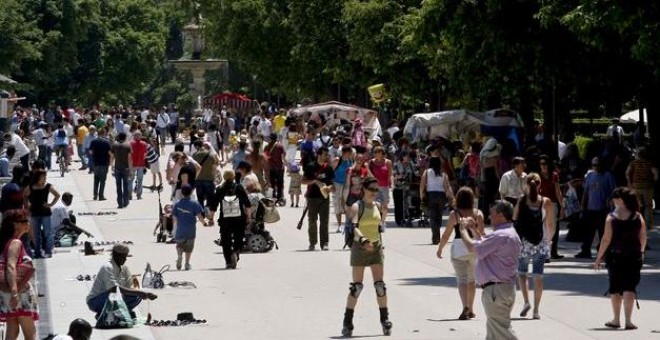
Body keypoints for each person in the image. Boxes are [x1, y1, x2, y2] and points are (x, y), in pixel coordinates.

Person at [457, 200, 521, 340]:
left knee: (501, 330)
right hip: (503, 288)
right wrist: (474, 229)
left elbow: (473, 248)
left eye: (492, 214)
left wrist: (463, 231)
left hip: (496, 291)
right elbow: (485, 245)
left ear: (501, 216)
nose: (489, 217)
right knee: (494, 332)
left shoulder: (501, 235)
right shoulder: (509, 233)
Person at [341, 177, 392, 337]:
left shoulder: (377, 205)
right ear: (364, 189)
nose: (374, 192)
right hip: (360, 248)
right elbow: (354, 226)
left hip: (376, 247)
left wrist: (384, 216)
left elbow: (380, 227)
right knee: (357, 287)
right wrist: (363, 239)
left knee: (380, 286)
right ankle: (347, 321)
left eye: (376, 190)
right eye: (371, 189)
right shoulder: (357, 206)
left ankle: (385, 319)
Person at [594, 187, 647, 330]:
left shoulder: (611, 217)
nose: (613, 201)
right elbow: (643, 237)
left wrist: (599, 258)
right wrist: (641, 252)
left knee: (615, 288)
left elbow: (605, 239)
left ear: (620, 200)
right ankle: (628, 321)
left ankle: (616, 320)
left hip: (615, 256)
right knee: (630, 287)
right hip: (634, 256)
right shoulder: (638, 216)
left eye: (614, 198)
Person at [437, 187, 484, 320]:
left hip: (458, 248)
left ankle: (465, 306)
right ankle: (471, 308)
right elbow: (482, 235)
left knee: (461, 280)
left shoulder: (454, 214)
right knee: (472, 280)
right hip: (474, 247)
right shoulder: (478, 214)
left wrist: (440, 248)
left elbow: (446, 234)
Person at [514, 173, 555, 320]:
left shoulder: (522, 200)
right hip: (540, 242)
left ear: (526, 184)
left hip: (524, 243)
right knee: (538, 277)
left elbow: (514, 218)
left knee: (522, 273)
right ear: (539, 185)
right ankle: (536, 310)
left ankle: (526, 302)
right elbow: (550, 224)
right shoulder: (546, 202)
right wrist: (548, 241)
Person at [0, 209, 39, 340]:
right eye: (24, 221)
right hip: (20, 293)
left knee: (13, 329)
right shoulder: (16, 243)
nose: (28, 223)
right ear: (16, 225)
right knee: (30, 333)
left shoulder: (8, 243)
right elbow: (10, 266)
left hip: (9, 293)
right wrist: (15, 293)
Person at [86, 245, 157, 316]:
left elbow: (129, 288)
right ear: (115, 256)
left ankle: (121, 312)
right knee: (117, 293)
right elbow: (114, 288)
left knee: (137, 296)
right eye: (122, 257)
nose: (125, 259)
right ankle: (106, 313)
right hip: (95, 300)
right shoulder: (107, 267)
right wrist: (140, 292)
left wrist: (144, 293)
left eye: (125, 257)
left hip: (113, 296)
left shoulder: (125, 269)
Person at [207, 170, 252, 269]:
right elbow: (247, 204)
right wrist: (249, 216)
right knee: (238, 237)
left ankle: (228, 261)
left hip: (225, 219)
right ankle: (236, 252)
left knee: (225, 240)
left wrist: (211, 218)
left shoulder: (220, 188)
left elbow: (213, 205)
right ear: (233, 177)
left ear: (224, 177)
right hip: (239, 218)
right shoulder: (239, 187)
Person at [576, 157, 616, 259]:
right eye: (594, 165)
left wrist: (610, 200)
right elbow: (586, 192)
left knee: (603, 231)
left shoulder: (608, 176)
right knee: (588, 231)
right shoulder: (590, 175)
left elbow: (614, 191)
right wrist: (582, 205)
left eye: (598, 165)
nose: (596, 167)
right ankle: (585, 250)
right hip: (590, 208)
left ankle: (604, 251)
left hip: (603, 208)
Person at [303, 147, 335, 251]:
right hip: (312, 198)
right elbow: (303, 181)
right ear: (319, 155)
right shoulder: (310, 166)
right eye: (325, 154)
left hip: (324, 198)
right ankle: (312, 242)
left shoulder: (328, 168)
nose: (327, 156)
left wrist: (329, 188)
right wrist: (314, 181)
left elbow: (332, 185)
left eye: (327, 155)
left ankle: (325, 243)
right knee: (312, 221)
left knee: (324, 221)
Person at [24, 170, 61, 258]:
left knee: (48, 233)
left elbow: (57, 195)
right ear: (38, 177)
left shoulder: (48, 186)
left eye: (45, 177)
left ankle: (48, 251)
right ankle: (37, 252)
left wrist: (50, 204)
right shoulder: (31, 187)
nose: (44, 178)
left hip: (45, 213)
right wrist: (27, 206)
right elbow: (24, 196)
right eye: (43, 177)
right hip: (34, 213)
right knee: (36, 235)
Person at [172, 185, 208, 271]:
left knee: (179, 245)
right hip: (191, 229)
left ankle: (179, 255)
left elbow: (174, 217)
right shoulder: (195, 203)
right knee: (189, 247)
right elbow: (199, 216)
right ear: (191, 192)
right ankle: (187, 263)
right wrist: (204, 223)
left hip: (180, 229)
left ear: (181, 193)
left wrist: (176, 224)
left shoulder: (177, 204)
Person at [420, 156, 454, 245]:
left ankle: (435, 237)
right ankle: (437, 235)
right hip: (441, 196)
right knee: (439, 217)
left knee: (432, 217)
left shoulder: (426, 172)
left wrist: (421, 196)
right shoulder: (443, 173)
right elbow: (447, 187)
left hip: (431, 195)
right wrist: (452, 197)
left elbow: (422, 185)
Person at [626, 146, 658, 229]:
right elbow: (655, 173)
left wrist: (629, 184)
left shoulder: (633, 163)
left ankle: (637, 223)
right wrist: (654, 181)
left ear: (637, 154)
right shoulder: (649, 163)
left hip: (636, 186)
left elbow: (627, 173)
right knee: (648, 206)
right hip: (648, 186)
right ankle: (648, 224)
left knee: (637, 205)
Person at [538, 156, 564, 259]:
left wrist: (562, 206)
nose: (543, 166)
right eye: (541, 164)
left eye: (545, 164)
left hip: (552, 204)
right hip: (541, 204)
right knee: (542, 228)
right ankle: (544, 252)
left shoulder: (554, 175)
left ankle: (550, 250)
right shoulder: (538, 176)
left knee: (552, 229)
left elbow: (558, 192)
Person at [367, 146, 393, 229]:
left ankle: (383, 222)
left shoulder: (388, 162)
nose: (377, 154)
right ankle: (377, 221)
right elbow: (368, 173)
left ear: (382, 154)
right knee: (376, 205)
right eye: (375, 153)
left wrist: (390, 184)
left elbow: (390, 174)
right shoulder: (371, 162)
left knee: (385, 206)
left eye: (378, 153)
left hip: (385, 186)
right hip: (375, 187)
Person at [332, 146, 353, 231]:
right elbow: (330, 173)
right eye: (349, 153)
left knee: (346, 204)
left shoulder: (350, 161)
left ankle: (347, 224)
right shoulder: (337, 160)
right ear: (344, 152)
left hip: (346, 184)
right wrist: (331, 184)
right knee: (337, 204)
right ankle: (339, 225)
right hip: (336, 183)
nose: (350, 154)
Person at [392, 151, 416, 226]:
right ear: (402, 157)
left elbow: (415, 173)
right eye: (406, 156)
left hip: (408, 187)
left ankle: (408, 218)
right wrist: (401, 177)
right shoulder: (397, 165)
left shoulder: (411, 164)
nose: (408, 158)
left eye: (408, 156)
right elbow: (394, 175)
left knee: (408, 204)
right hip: (398, 187)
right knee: (398, 204)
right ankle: (399, 220)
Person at [110, 132, 133, 208]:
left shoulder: (114, 144)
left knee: (118, 186)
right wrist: (130, 169)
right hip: (125, 168)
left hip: (117, 168)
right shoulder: (128, 145)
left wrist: (112, 166)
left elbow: (112, 156)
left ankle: (120, 203)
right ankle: (125, 202)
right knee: (125, 186)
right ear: (125, 137)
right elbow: (129, 159)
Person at [89, 128, 111, 201]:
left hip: (96, 162)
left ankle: (95, 195)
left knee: (96, 179)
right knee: (102, 180)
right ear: (104, 133)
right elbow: (110, 153)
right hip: (104, 163)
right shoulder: (107, 142)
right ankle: (101, 196)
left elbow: (90, 152)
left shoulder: (93, 141)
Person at [265, 133, 286, 203]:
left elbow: (265, 157)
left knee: (272, 183)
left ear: (270, 138)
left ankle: (273, 196)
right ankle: (279, 197)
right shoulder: (280, 146)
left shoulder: (267, 146)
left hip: (271, 167)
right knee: (280, 183)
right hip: (279, 167)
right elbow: (283, 156)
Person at [129, 131, 148, 200]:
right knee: (140, 180)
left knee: (130, 179)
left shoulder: (130, 143)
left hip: (132, 164)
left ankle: (129, 195)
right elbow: (145, 155)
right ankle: (139, 195)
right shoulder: (144, 143)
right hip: (140, 164)